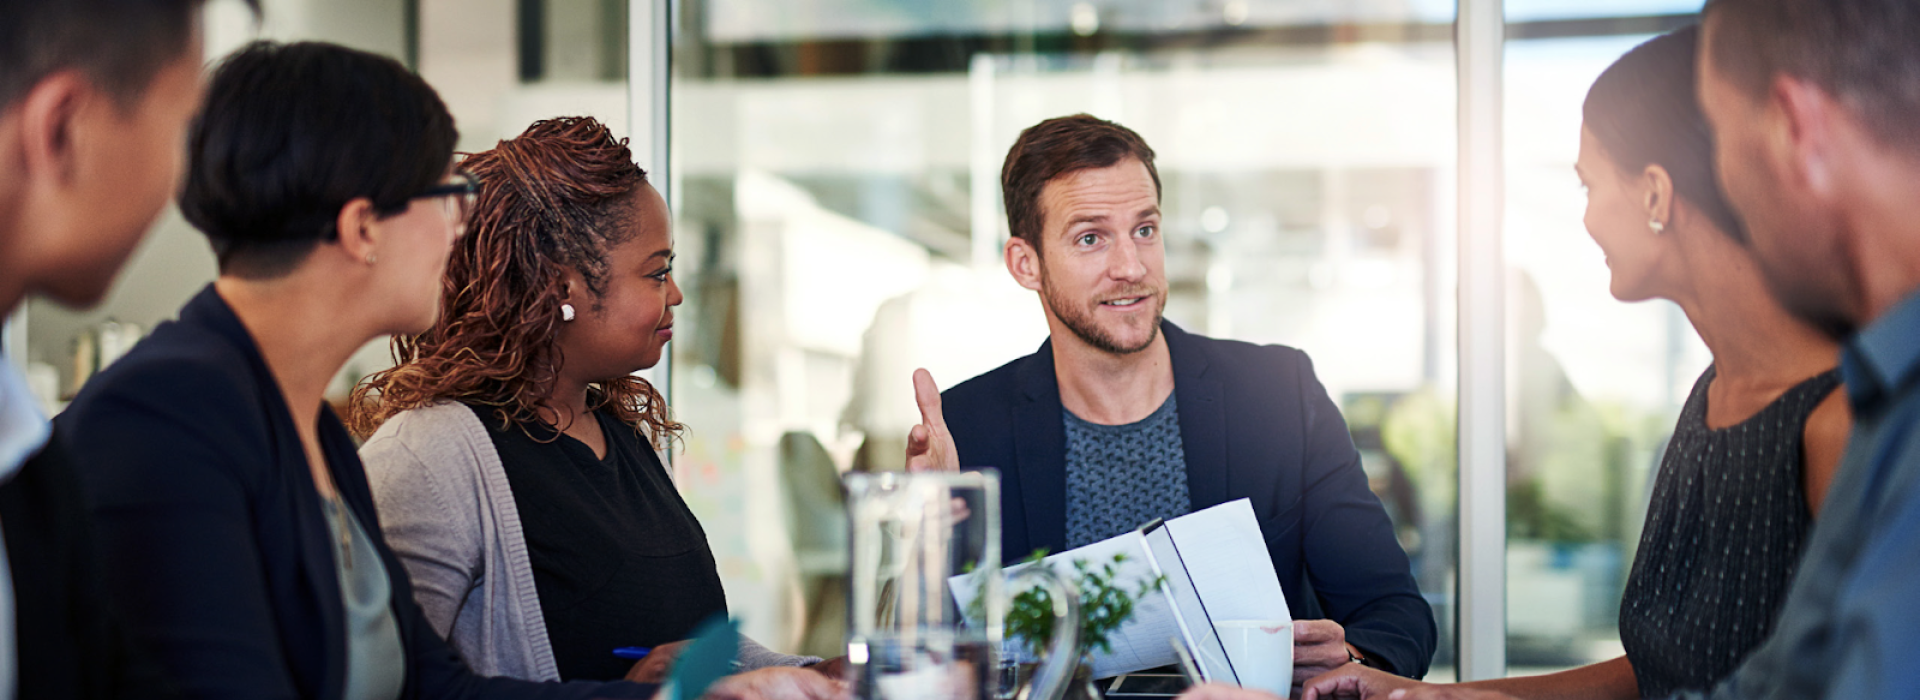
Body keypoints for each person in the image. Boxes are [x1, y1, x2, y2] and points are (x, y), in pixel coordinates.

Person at [56, 41, 836, 700]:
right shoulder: (165, 418)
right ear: (363, 227)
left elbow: (431, 686)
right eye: (446, 195)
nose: (464, 227)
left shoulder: (309, 432)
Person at [1296, 25, 1852, 700]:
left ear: (1655, 195)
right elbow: (1661, 673)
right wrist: (1432, 694)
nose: (1586, 220)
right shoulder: (1715, 394)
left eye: (1589, 185)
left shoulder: (1840, 417)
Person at [904, 114, 1437, 683]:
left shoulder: (1278, 394)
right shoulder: (969, 430)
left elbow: (1395, 616)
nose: (1131, 267)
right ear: (1026, 263)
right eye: (1091, 238)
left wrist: (1353, 662)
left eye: (1144, 229)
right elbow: (925, 661)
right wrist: (925, 546)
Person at [349, 116, 840, 683]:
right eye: (657, 272)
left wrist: (824, 676)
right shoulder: (428, 457)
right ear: (562, 287)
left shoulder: (618, 436)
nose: (676, 293)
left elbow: (689, 652)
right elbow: (389, 687)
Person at [0, 0, 252, 696]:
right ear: (63, 129)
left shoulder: (27, 450)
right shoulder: (146, 415)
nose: (179, 181)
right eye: (180, 131)